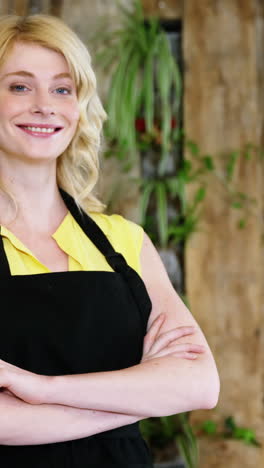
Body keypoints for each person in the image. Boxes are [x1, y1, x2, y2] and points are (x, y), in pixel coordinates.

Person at [0, 13, 220, 467]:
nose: (45, 105)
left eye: (63, 89)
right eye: (19, 86)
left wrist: (44, 391)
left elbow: (199, 384)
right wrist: (136, 394)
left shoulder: (122, 240)